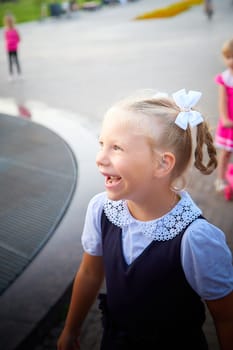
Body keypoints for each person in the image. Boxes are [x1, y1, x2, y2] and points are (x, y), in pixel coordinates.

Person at [57, 89, 233, 350]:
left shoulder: (195, 238)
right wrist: (70, 330)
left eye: (117, 148)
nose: (100, 158)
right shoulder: (101, 211)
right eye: (101, 143)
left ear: (162, 164)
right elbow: (90, 272)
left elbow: (226, 317)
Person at [214, 38, 233, 193]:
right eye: (228, 57)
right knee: (226, 152)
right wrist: (225, 119)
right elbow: (223, 100)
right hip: (229, 123)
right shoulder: (224, 78)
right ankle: (220, 179)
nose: (231, 61)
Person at [3, 13, 22, 81]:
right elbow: (5, 38)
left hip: (14, 48)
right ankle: (11, 75)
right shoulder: (6, 30)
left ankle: (19, 73)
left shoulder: (15, 29)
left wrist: (15, 43)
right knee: (10, 62)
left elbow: (19, 38)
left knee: (16, 61)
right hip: (9, 48)